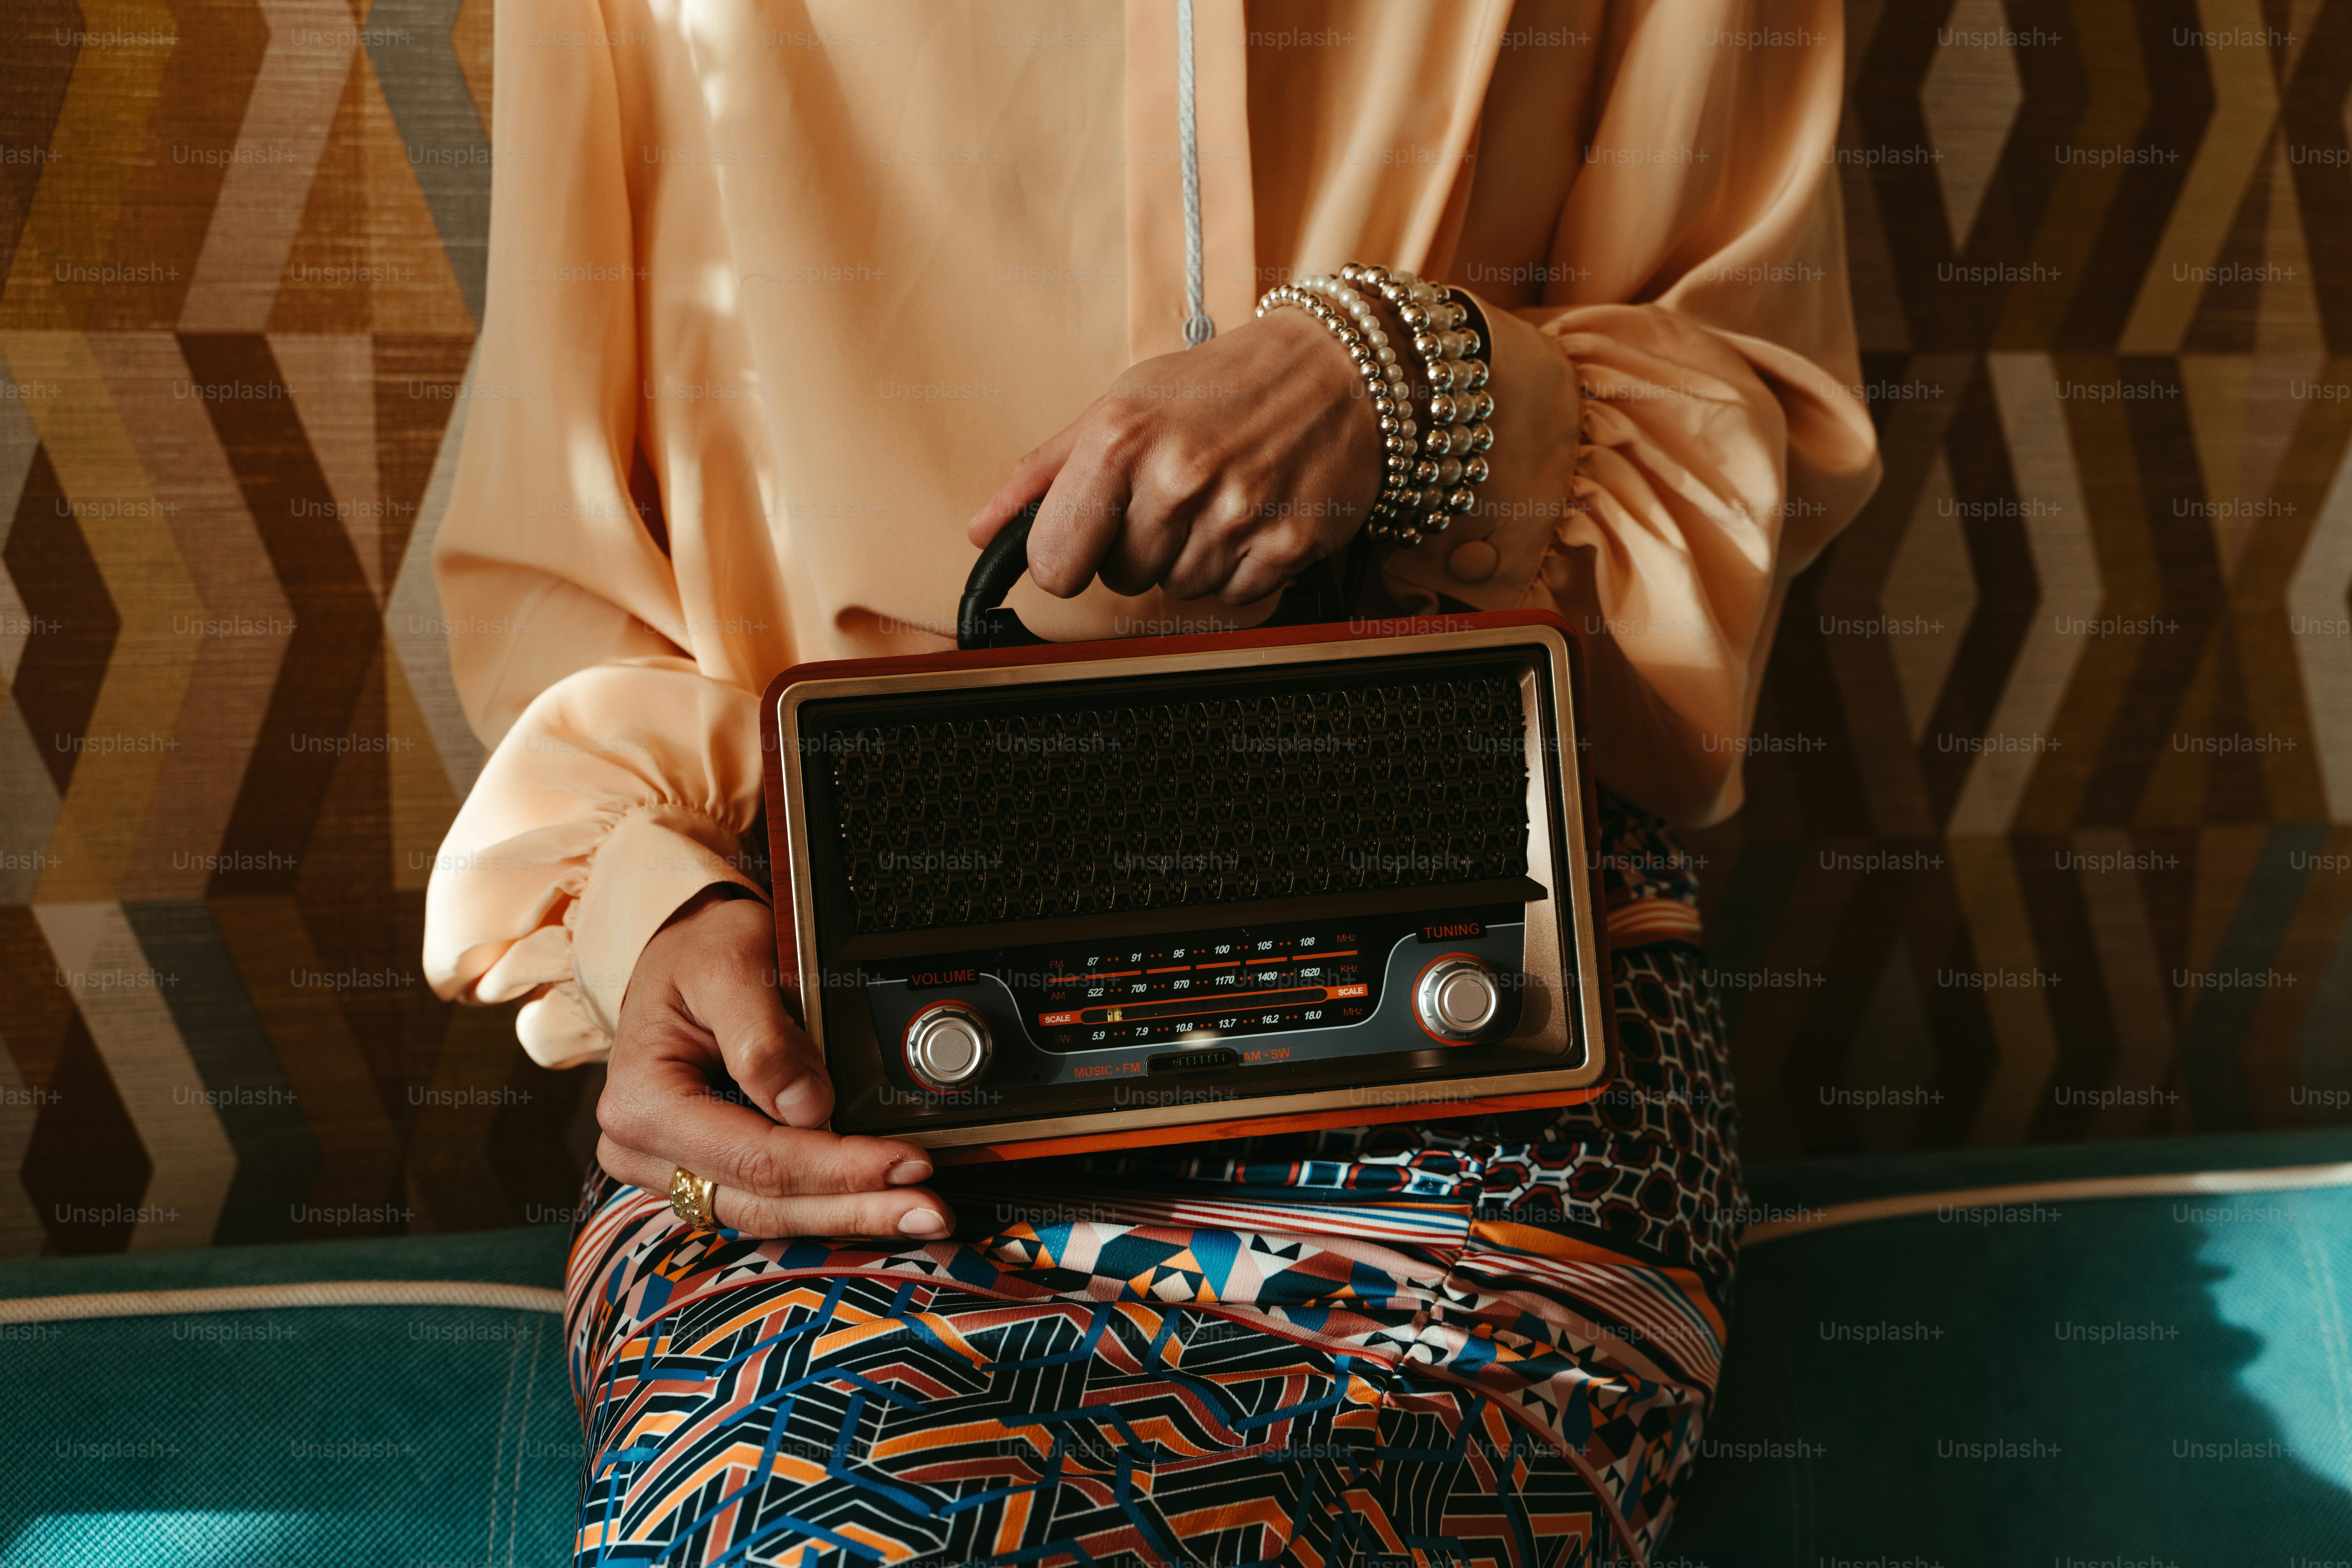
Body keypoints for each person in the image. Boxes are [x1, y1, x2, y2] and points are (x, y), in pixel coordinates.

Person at [424, 1, 1880, 1562]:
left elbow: (1745, 416)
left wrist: (1415, 382)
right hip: (857, 1075)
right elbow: (561, 553)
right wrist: (649, 905)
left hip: (1474, 1044)